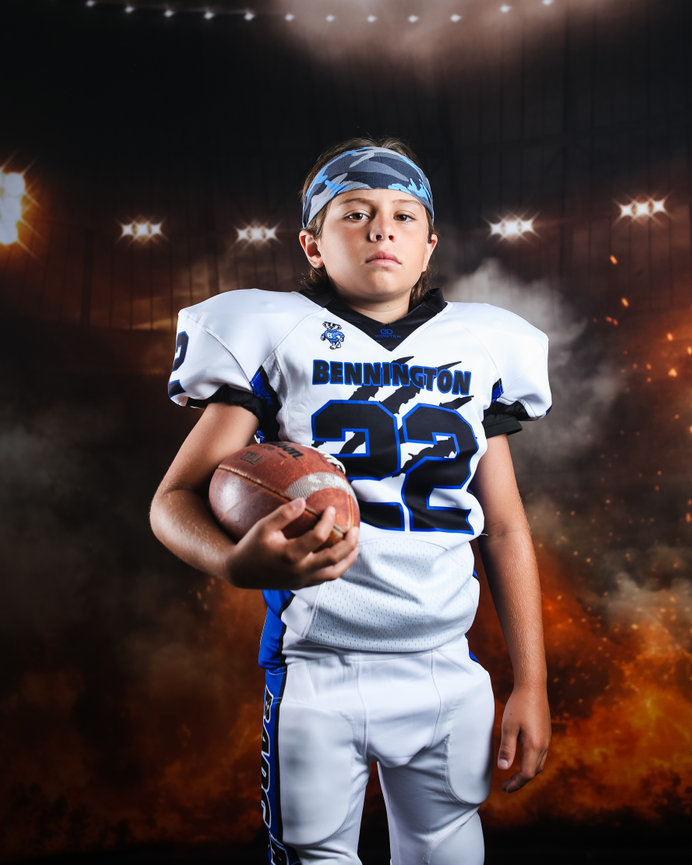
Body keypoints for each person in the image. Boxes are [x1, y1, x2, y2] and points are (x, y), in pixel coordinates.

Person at [150, 137, 552, 865]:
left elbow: (505, 530)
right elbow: (172, 499)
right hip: (318, 659)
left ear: (428, 246)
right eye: (355, 212)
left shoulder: (481, 345)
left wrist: (532, 681)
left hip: (443, 663)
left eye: (404, 215)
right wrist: (235, 563)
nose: (381, 228)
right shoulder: (274, 334)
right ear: (311, 242)